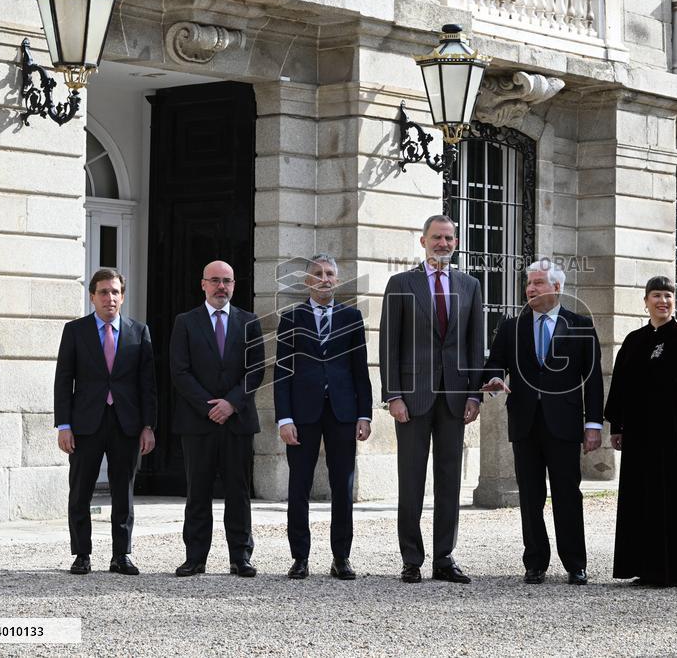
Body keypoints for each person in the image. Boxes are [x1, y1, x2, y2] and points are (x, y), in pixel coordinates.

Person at [481, 260, 603, 585]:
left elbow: (593, 381)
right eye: (529, 283)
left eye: (538, 283)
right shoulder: (511, 326)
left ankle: (575, 563)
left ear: (557, 288)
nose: (531, 289)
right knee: (530, 496)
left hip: (563, 424)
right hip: (524, 423)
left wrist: (594, 424)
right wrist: (493, 377)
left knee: (567, 494)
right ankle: (535, 561)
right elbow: (494, 362)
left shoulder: (580, 325)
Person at [379, 214, 484, 584]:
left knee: (449, 480)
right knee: (410, 480)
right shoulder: (400, 283)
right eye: (437, 237)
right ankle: (411, 558)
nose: (443, 243)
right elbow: (389, 344)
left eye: (449, 238)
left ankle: (444, 557)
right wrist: (392, 395)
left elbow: (475, 345)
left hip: (455, 399)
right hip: (412, 398)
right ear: (422, 241)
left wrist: (474, 393)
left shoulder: (470, 286)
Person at [604, 276, 677, 587]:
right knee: (643, 501)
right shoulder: (634, 341)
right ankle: (647, 568)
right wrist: (617, 426)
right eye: (656, 295)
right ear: (646, 301)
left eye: (667, 295)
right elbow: (621, 387)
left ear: (674, 302)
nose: (662, 301)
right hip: (641, 438)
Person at [274, 254, 373, 580]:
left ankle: (341, 558)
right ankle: (300, 557)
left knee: (342, 487)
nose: (325, 278)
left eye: (330, 273)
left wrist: (364, 414)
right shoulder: (291, 318)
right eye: (318, 273)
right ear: (307, 281)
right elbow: (282, 372)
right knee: (299, 485)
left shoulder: (352, 317)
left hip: (343, 412)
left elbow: (361, 370)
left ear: (337, 279)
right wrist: (284, 418)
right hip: (302, 414)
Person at [54, 268, 157, 576]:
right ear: (92, 297)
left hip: (126, 423)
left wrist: (148, 425)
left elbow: (147, 385)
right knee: (81, 491)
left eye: (115, 292)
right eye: (103, 292)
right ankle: (82, 554)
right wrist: (63, 425)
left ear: (122, 297)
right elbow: (63, 381)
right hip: (86, 423)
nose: (109, 298)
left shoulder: (139, 332)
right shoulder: (75, 331)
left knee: (123, 492)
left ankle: (121, 555)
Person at [169, 260, 266, 578]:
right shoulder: (185, 322)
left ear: (234, 285)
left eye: (227, 281)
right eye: (215, 280)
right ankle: (195, 557)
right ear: (203, 284)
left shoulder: (249, 322)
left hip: (237, 422)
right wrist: (209, 406)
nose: (221, 286)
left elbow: (257, 370)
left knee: (238, 491)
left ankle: (241, 557)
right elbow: (179, 371)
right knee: (198, 491)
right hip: (198, 423)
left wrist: (231, 404)